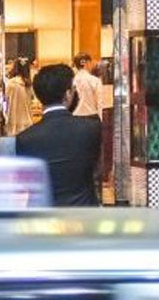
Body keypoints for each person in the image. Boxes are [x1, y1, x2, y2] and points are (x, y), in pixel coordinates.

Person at [14, 63, 103, 207]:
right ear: (68, 94)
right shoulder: (91, 129)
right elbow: (97, 171)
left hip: (42, 217)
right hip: (83, 214)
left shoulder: (24, 138)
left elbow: (24, 182)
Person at [0, 58, 35, 139]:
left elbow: (5, 101)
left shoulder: (10, 84)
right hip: (28, 122)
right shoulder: (29, 85)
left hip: (13, 122)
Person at [71, 53, 102, 119]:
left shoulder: (72, 81)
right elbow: (99, 103)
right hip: (91, 116)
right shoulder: (95, 80)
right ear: (87, 63)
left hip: (75, 117)